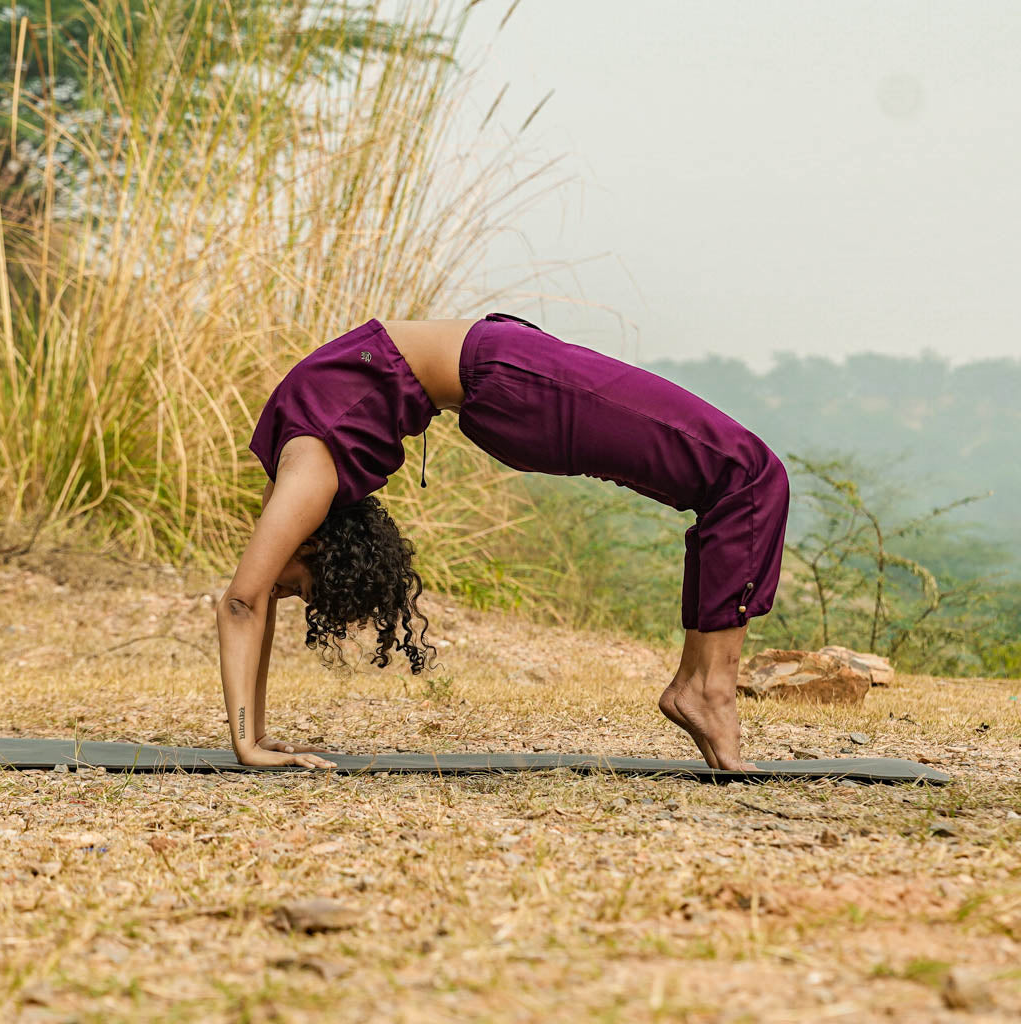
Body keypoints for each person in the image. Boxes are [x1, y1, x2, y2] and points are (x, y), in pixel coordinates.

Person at [216, 313, 789, 771]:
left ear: (313, 547)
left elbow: (244, 602)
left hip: (507, 369)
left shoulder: (303, 475)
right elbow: (250, 604)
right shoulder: (304, 472)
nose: (280, 593)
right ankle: (707, 687)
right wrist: (253, 736)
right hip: (507, 377)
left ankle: (702, 683)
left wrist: (250, 740)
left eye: (295, 590)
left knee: (743, 475)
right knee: (749, 474)